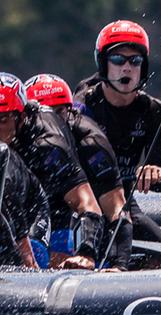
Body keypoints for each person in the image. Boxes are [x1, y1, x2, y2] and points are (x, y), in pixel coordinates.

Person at [0, 72, 130, 270]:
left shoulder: (48, 145)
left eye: (2, 120)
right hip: (16, 192)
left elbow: (88, 203)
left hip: (55, 195)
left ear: (21, 117)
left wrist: (86, 253)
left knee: (38, 250)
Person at [75, 20, 161, 246]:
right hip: (83, 206)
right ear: (103, 64)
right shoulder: (82, 107)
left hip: (125, 204)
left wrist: (156, 172)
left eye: (135, 61)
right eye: (118, 60)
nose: (127, 68)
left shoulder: (155, 112)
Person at [24, 73, 132, 268]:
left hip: (93, 216)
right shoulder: (21, 136)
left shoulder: (91, 143)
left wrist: (119, 265)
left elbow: (116, 209)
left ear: (70, 110)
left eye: (58, 113)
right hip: (47, 211)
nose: (52, 122)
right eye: (44, 114)